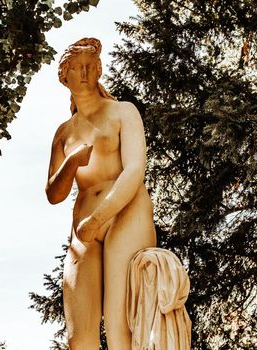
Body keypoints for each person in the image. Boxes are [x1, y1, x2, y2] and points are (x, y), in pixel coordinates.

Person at [45, 37, 156, 349]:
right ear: (63, 76)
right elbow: (54, 194)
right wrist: (70, 162)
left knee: (121, 327)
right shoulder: (64, 133)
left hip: (125, 212)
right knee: (78, 337)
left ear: (98, 72)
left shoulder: (123, 111)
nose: (83, 74)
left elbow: (135, 170)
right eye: (76, 68)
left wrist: (99, 217)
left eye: (89, 67)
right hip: (82, 230)